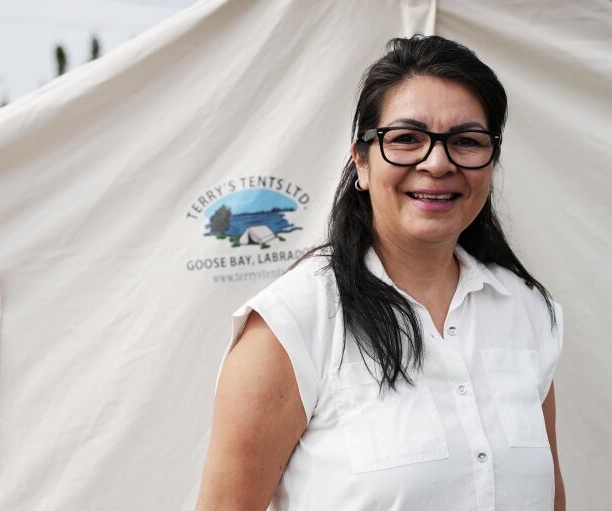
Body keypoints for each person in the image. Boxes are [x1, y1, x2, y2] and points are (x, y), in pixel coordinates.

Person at [196, 34, 565, 511]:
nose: (437, 163)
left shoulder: (527, 311)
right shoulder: (293, 323)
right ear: (362, 162)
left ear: (490, 162)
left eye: (466, 142)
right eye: (407, 139)